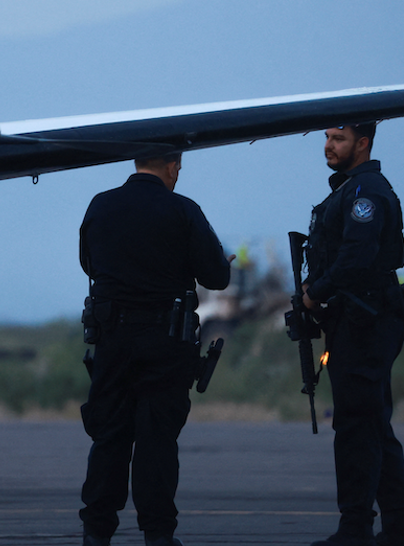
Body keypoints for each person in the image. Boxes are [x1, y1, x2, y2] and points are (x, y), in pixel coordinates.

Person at [78, 152, 234, 546]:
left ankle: (96, 532)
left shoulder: (100, 204)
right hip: (166, 341)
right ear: (173, 166)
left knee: (109, 437)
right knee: (157, 440)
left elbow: (88, 263)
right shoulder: (183, 210)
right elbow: (215, 276)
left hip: (112, 341)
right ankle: (158, 534)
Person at [300, 123, 404, 546]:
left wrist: (314, 294)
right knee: (371, 423)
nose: (328, 146)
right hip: (358, 320)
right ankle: (401, 528)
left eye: (338, 139)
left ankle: (355, 530)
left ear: (363, 143)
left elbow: (356, 256)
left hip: (366, 321)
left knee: (356, 425)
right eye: (327, 138)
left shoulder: (365, 192)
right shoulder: (350, 189)